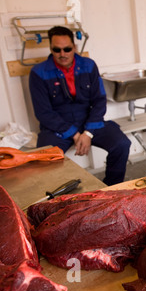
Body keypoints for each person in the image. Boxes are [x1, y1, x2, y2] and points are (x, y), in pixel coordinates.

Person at [29, 26, 131, 186]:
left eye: (67, 49)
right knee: (44, 161)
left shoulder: (89, 66)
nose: (62, 54)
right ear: (51, 49)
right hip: (57, 127)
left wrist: (88, 132)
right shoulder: (38, 73)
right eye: (57, 50)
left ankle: (112, 187)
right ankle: (59, 200)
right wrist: (75, 135)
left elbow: (99, 100)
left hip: (89, 121)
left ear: (74, 47)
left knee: (122, 143)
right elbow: (43, 113)